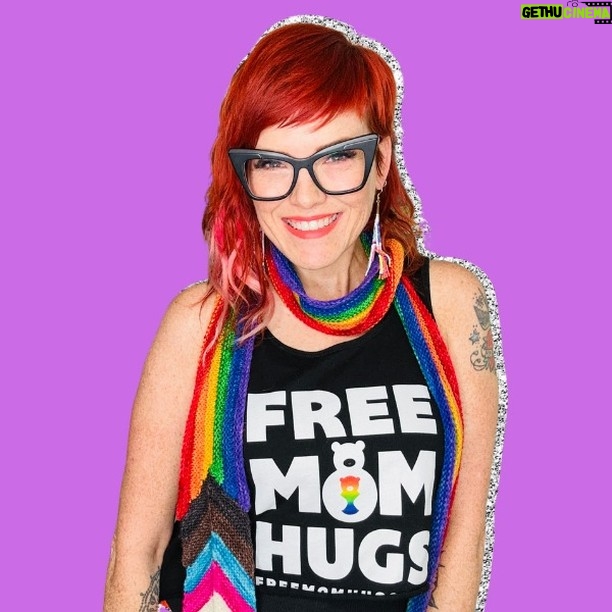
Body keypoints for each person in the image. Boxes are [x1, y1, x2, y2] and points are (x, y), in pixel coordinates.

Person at [104, 17, 501, 612]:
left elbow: (461, 547)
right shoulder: (198, 324)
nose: (304, 195)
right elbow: (137, 553)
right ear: (246, 177)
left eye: (336, 156)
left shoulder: (451, 304)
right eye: (273, 163)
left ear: (380, 163)